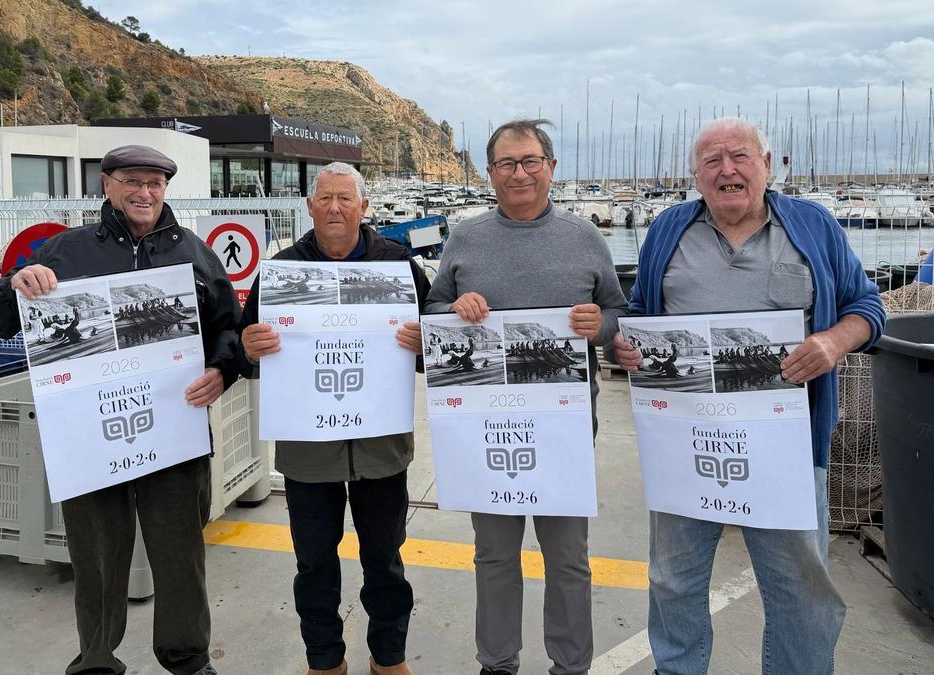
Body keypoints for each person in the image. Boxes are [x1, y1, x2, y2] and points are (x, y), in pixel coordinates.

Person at [611, 117, 885, 675]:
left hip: (788, 443)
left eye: (739, 156)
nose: (726, 169)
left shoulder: (813, 227)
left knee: (801, 588)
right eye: (711, 161)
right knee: (673, 580)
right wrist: (627, 346)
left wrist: (833, 342)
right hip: (685, 442)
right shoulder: (666, 229)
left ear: (767, 162)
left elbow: (867, 308)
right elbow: (638, 316)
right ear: (695, 175)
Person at [0, 144, 240, 675]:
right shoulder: (65, 251)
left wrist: (222, 369)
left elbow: (228, 324)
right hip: (91, 440)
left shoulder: (195, 252)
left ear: (166, 190)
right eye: (133, 181)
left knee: (181, 554)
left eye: (155, 183)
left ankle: (187, 658)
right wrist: (12, 286)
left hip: (174, 431)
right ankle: (95, 660)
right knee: (95, 557)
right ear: (107, 184)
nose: (145, 193)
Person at [425, 119, 628, 675]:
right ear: (490, 173)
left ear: (551, 168)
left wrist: (599, 325)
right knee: (494, 556)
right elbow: (434, 312)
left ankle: (571, 665)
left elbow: (617, 314)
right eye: (507, 164)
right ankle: (497, 663)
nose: (520, 173)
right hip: (486, 429)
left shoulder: (585, 237)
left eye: (530, 161)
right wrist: (453, 308)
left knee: (568, 559)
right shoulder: (464, 237)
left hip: (564, 429)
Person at [238, 162, 430, 675]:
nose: (335, 208)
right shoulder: (280, 272)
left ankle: (388, 657)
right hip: (308, 453)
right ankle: (324, 660)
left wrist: (423, 344)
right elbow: (245, 348)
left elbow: (436, 349)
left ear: (364, 206)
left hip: (382, 448)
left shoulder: (400, 267)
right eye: (325, 198)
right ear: (310, 206)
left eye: (346, 198)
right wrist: (248, 345)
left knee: (385, 561)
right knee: (314, 564)